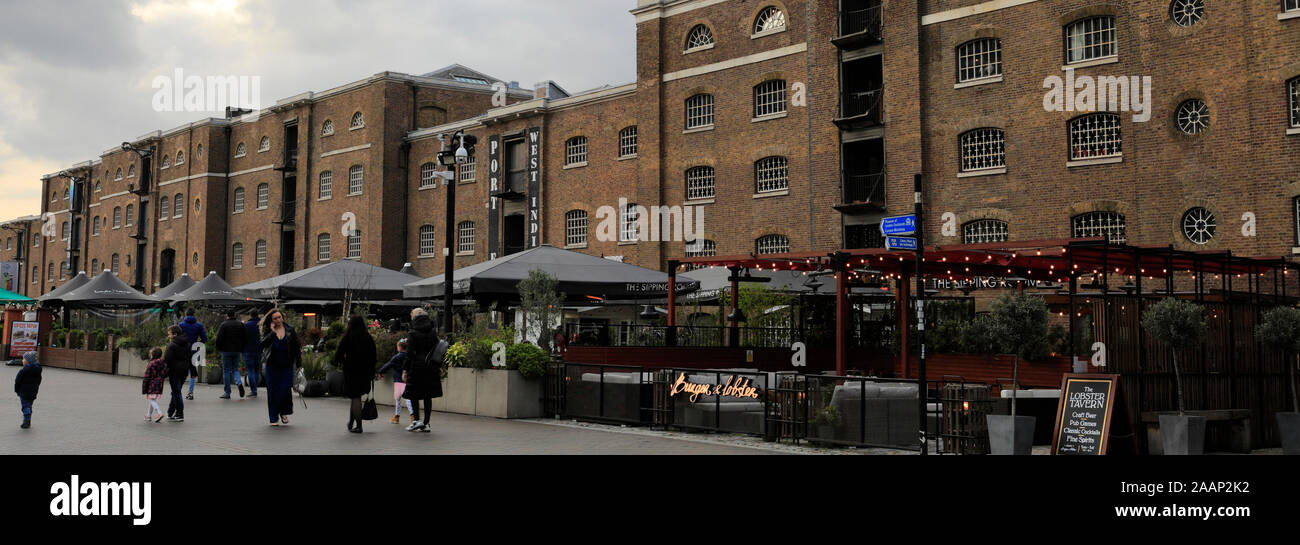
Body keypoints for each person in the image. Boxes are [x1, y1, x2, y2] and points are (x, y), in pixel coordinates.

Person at [402, 308, 443, 433]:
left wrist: (405, 369)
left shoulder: (413, 332)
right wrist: (439, 365)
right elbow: (438, 350)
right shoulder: (432, 332)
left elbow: (408, 353)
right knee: (427, 395)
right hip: (431, 366)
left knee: (413, 394)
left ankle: (417, 421)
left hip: (416, 367)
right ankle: (426, 423)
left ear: (414, 317)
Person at [334, 315, 377, 433]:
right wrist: (372, 372)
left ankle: (359, 426)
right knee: (356, 397)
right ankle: (351, 422)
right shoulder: (368, 337)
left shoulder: (348, 337)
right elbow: (373, 356)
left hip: (351, 371)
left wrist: (343, 362)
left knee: (355, 397)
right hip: (365, 372)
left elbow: (338, 355)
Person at [260, 308, 302, 426]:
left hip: (286, 365)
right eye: (275, 318)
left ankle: (283, 412)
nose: (278, 320)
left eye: (279, 317)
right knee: (273, 392)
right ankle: (273, 418)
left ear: (282, 317)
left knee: (285, 390)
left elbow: (296, 348)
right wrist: (273, 332)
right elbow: (263, 344)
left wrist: (299, 364)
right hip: (272, 366)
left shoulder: (290, 330)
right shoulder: (268, 331)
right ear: (271, 320)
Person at [377, 339, 415, 424]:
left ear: (400, 347)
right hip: (407, 380)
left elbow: (388, 365)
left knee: (398, 399)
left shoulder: (397, 357)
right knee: (408, 399)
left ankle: (397, 417)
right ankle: (413, 416)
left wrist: (380, 371)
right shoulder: (409, 356)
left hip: (398, 381)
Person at [215, 310, 247, 399]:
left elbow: (219, 338)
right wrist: (242, 348)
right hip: (237, 350)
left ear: (227, 315)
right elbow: (245, 337)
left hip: (226, 350)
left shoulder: (224, 325)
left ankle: (227, 392)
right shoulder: (241, 324)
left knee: (226, 371)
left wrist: (219, 348)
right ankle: (239, 383)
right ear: (235, 315)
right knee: (235, 369)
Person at [163, 325, 191, 422]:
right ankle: (170, 412)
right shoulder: (187, 344)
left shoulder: (171, 345)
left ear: (175, 334)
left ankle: (180, 413)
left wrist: (163, 373)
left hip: (174, 371)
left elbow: (167, 360)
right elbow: (190, 358)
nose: (168, 336)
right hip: (184, 370)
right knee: (176, 391)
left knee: (176, 392)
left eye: (169, 334)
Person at [178, 309, 208, 400]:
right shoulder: (199, 325)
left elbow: (177, 337)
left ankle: (178, 390)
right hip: (194, 350)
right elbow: (204, 338)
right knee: (192, 372)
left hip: (182, 350)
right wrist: (198, 344)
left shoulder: (181, 325)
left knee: (182, 371)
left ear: (185, 314)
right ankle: (190, 392)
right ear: (194, 315)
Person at [13, 351, 41, 429]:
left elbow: (17, 381)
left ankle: (26, 421)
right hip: (33, 391)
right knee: (29, 405)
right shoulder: (38, 370)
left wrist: (16, 390)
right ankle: (28, 418)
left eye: (23, 359)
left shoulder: (23, 371)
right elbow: (39, 381)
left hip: (23, 392)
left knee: (25, 406)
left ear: (28, 361)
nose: (22, 360)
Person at [142, 347, 167, 423]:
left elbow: (147, 376)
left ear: (153, 354)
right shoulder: (163, 363)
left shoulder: (151, 364)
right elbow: (165, 373)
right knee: (152, 399)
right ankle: (148, 415)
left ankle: (159, 413)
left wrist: (144, 387)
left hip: (151, 384)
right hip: (159, 384)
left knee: (151, 399)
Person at [243, 312, 261, 397]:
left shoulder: (247, 325)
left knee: (250, 370)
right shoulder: (261, 324)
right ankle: (255, 389)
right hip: (259, 350)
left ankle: (253, 390)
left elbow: (243, 337)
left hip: (248, 350)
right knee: (257, 370)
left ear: (250, 315)